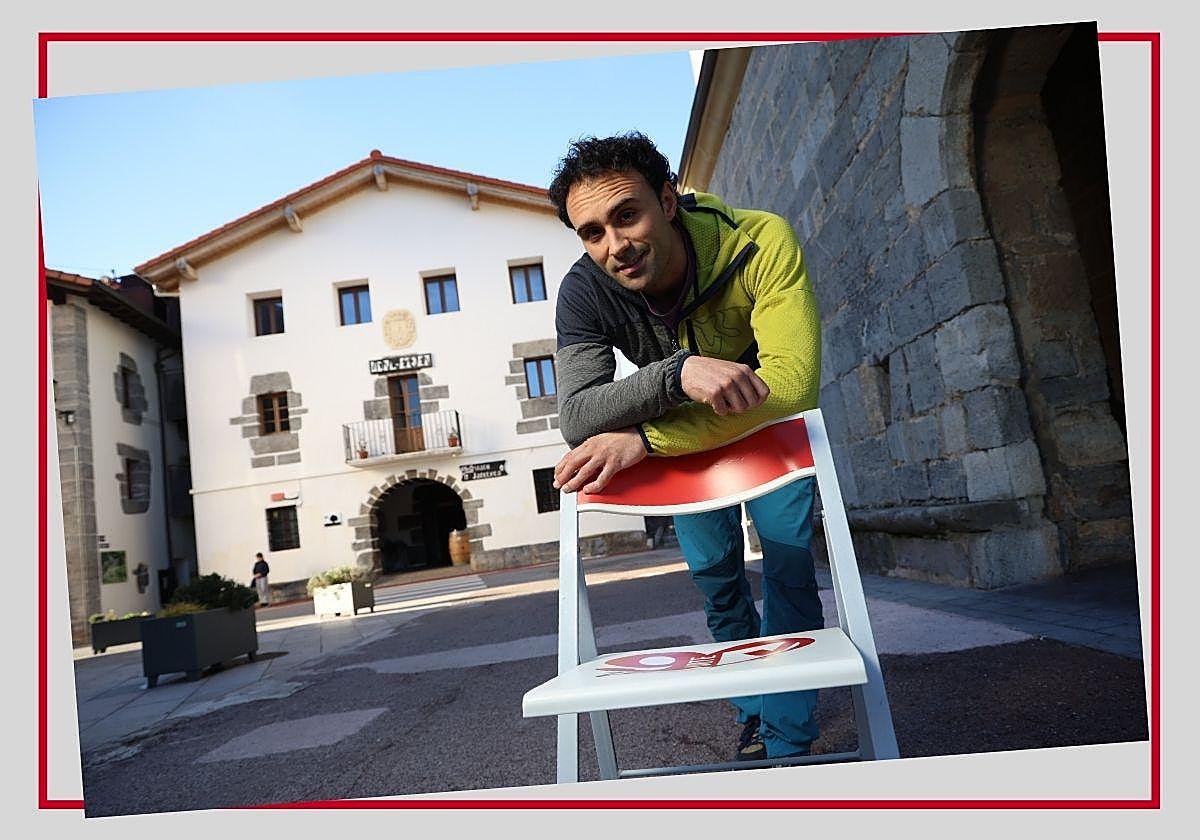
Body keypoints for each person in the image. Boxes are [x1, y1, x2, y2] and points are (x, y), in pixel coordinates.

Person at [548, 132, 823, 762]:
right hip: (681, 440)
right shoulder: (583, 291)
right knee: (716, 579)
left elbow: (791, 385)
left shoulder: (759, 240)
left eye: (627, 215)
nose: (614, 246)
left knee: (786, 564)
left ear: (668, 200)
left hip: (766, 430)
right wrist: (677, 375)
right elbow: (579, 416)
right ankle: (754, 711)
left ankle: (789, 738)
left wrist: (646, 435)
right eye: (591, 232)